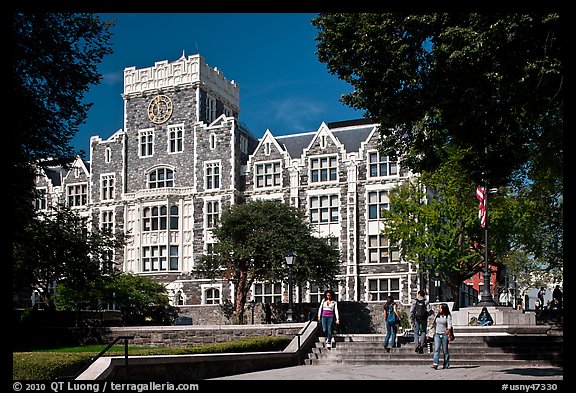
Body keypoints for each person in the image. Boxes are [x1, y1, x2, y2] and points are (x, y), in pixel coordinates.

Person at [431, 303, 452, 370]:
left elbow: (449, 324)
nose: (439, 309)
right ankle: (435, 363)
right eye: (439, 308)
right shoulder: (437, 315)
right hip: (437, 333)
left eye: (440, 308)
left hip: (444, 334)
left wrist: (448, 330)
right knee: (436, 348)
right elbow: (434, 323)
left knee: (445, 350)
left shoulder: (447, 316)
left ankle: (446, 363)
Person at [410, 290, 432, 354]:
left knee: (416, 332)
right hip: (423, 319)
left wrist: (411, 318)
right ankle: (421, 345)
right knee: (423, 331)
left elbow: (411, 310)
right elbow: (428, 310)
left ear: (418, 294)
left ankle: (416, 344)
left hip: (416, 318)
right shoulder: (425, 301)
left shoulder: (415, 301)